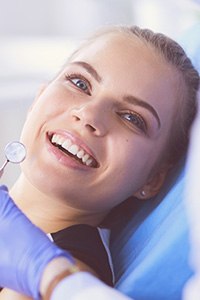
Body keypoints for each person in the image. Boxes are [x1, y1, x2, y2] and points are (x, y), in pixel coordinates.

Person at [0, 25, 199, 299]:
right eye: (80, 83)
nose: (89, 114)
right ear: (38, 99)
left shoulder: (53, 277)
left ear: (152, 179)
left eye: (132, 118)